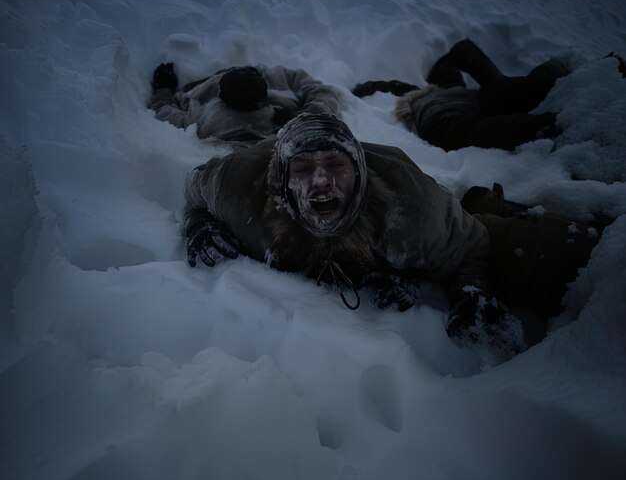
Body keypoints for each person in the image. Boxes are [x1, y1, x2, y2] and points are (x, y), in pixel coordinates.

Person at [183, 112, 602, 360]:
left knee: (557, 254)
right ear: (281, 179)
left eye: (336, 165)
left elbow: (473, 247)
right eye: (304, 169)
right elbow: (193, 188)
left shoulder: (408, 206)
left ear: (360, 173)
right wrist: (199, 225)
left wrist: (471, 291)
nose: (322, 182)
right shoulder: (239, 189)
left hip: (440, 208)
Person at [352, 38, 571, 151]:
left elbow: (449, 63)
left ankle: (557, 79)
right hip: (440, 121)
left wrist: (461, 55)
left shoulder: (445, 86)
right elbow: (390, 86)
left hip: (472, 104)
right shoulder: (420, 93)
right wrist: (365, 88)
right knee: (486, 127)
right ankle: (555, 121)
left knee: (512, 93)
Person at [150, 61, 342, 142]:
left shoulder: (272, 76)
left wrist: (163, 90)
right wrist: (306, 119)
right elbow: (323, 95)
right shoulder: (209, 116)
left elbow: (164, 110)